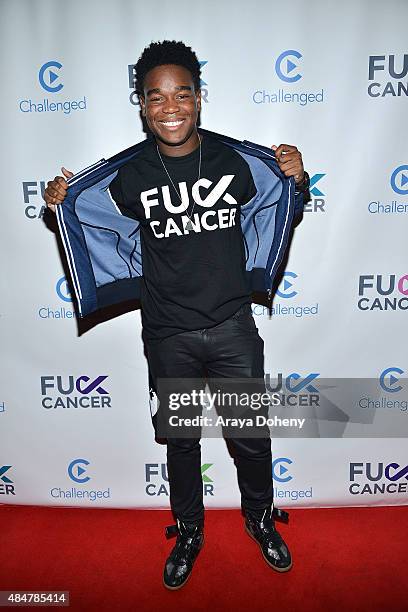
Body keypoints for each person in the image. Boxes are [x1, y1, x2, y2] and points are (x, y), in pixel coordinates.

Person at [44, 40, 309, 590]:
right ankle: (189, 529)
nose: (171, 107)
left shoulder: (233, 160)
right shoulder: (129, 175)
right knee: (182, 443)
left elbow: (277, 204)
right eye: (156, 96)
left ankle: (259, 517)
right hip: (167, 334)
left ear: (199, 99)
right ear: (142, 104)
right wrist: (62, 201)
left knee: (251, 439)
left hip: (234, 326)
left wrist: (297, 179)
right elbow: (91, 220)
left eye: (182, 94)